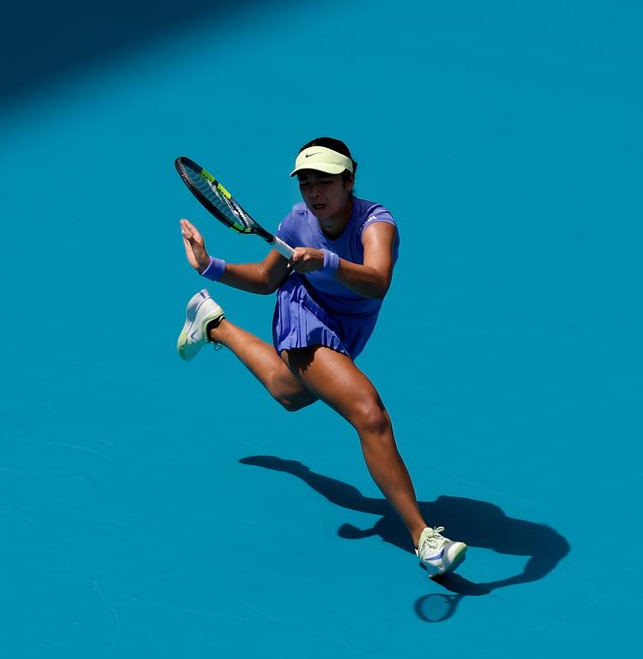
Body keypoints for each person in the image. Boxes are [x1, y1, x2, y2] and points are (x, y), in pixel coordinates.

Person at [176, 137, 467, 577]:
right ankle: (424, 538)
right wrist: (208, 265)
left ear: (350, 180)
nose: (314, 194)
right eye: (306, 184)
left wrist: (328, 262)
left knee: (288, 392)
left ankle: (212, 321)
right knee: (370, 416)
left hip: (350, 324)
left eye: (325, 183)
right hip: (305, 314)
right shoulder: (296, 223)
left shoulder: (377, 223)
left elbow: (377, 281)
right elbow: (266, 278)